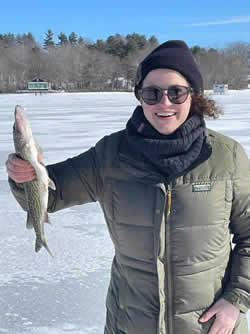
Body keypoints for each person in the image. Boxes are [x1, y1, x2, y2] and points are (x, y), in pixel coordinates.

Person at [6, 40, 250, 334]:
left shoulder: (226, 157)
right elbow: (51, 195)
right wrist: (25, 175)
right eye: (152, 93)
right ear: (139, 97)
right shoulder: (110, 155)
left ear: (192, 95)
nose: (164, 102)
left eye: (176, 92)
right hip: (130, 324)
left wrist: (236, 299)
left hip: (210, 327)